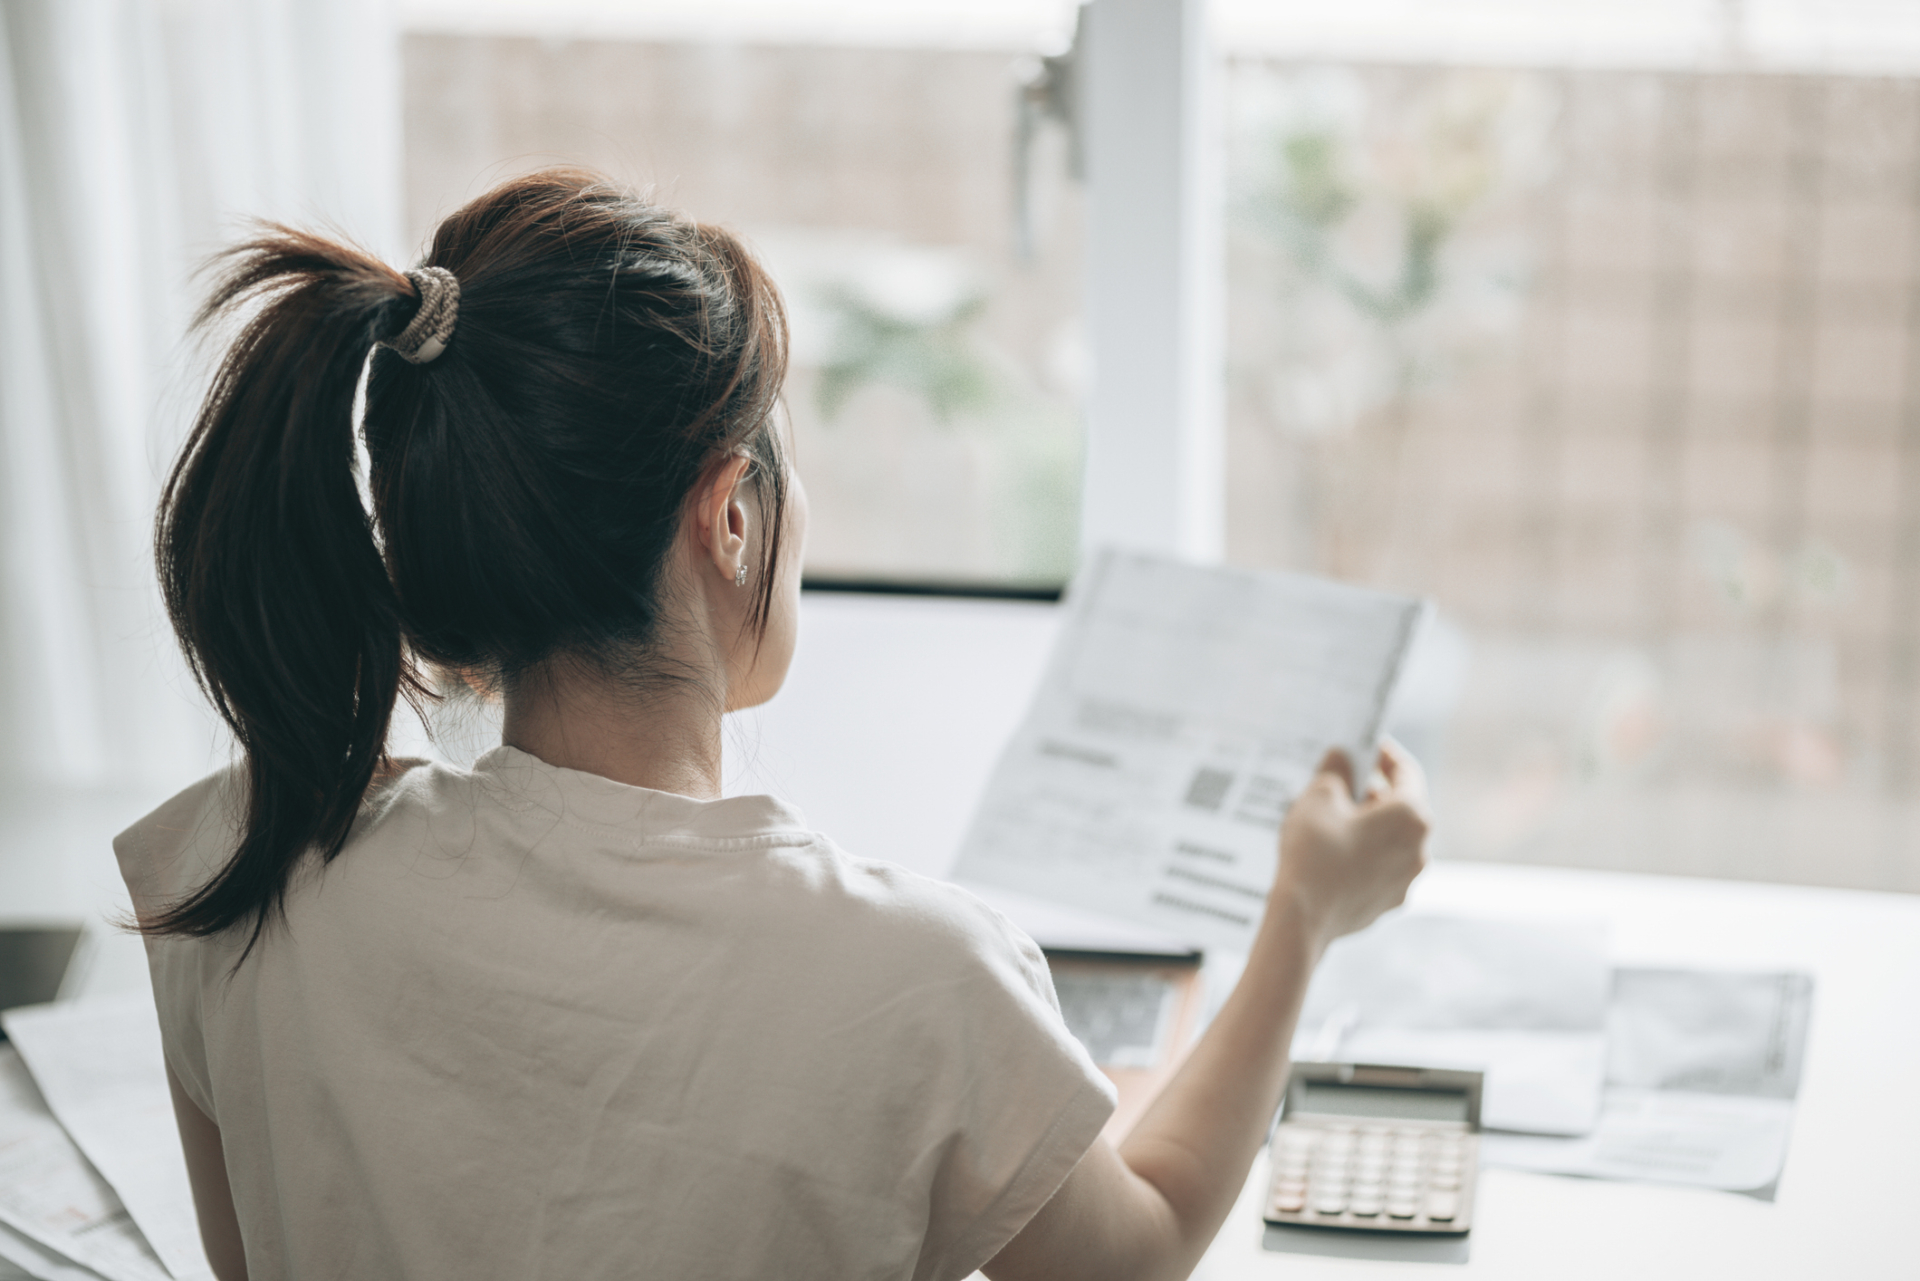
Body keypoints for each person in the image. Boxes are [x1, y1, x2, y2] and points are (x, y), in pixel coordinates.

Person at [115, 168, 1429, 1281]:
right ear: (730, 511)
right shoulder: (916, 984)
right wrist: (1303, 914)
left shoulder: (240, 863)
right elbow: (1133, 1249)